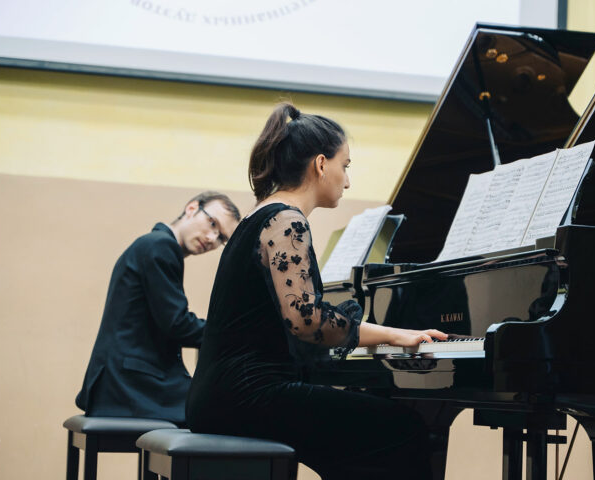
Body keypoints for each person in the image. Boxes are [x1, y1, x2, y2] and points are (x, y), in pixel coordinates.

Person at [186, 103, 446, 479]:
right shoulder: (286, 220)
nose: (347, 180)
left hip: (221, 394)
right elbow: (307, 321)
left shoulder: (261, 214)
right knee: (404, 430)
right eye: (346, 165)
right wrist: (395, 335)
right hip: (247, 397)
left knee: (354, 440)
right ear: (321, 165)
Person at [76, 191, 240, 424]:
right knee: (222, 413)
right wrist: (233, 335)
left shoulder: (155, 244)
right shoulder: (161, 246)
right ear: (192, 208)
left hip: (125, 380)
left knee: (217, 408)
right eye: (212, 223)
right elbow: (177, 324)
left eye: (221, 237)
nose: (212, 238)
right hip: (128, 385)